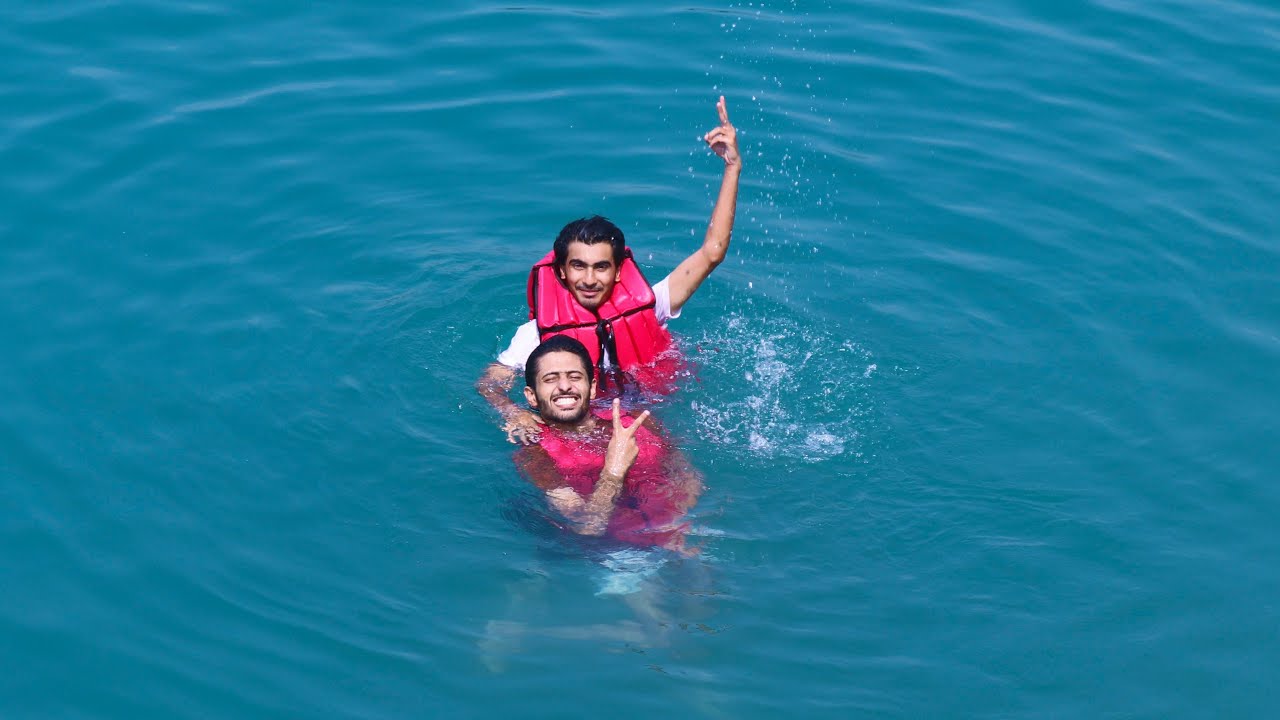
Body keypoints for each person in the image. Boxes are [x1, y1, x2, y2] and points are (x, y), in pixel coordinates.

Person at [478, 96, 742, 444]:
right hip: (578, 428)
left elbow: (713, 252)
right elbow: (489, 384)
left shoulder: (652, 303)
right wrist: (513, 412)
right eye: (578, 267)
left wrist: (732, 167)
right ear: (560, 272)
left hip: (645, 414)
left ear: (619, 271)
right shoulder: (536, 335)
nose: (589, 279)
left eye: (601, 267)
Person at [512, 335, 703, 553]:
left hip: (681, 527)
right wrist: (613, 472)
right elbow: (587, 526)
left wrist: (677, 524)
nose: (564, 386)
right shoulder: (535, 455)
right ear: (532, 396)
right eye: (550, 379)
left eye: (575, 377)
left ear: (592, 387)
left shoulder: (639, 419)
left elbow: (687, 474)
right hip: (616, 552)